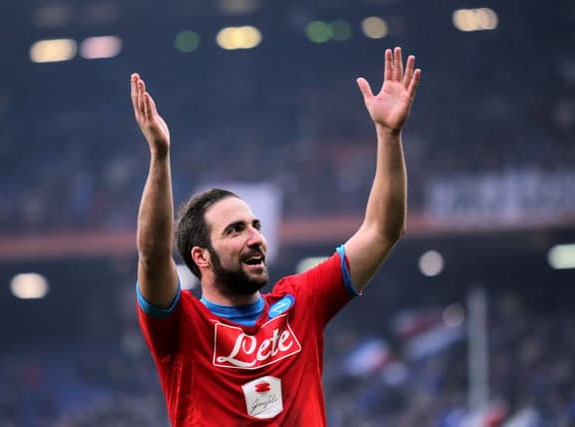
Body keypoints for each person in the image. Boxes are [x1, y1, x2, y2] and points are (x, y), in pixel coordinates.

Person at [130, 47, 421, 426]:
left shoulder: (301, 302)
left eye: (256, 226)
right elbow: (153, 254)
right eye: (235, 230)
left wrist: (388, 133)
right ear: (201, 257)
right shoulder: (183, 325)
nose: (255, 238)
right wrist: (160, 154)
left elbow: (383, 230)